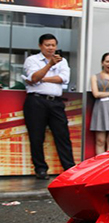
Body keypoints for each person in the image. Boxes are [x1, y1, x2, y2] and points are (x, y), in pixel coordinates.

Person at [22, 33, 75, 179]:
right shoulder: (32, 60)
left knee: (62, 135)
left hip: (56, 102)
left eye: (53, 45)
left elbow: (64, 79)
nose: (51, 48)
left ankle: (69, 167)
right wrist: (49, 65)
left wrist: (42, 78)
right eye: (47, 45)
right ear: (40, 46)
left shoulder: (62, 61)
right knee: (36, 136)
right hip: (36, 101)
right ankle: (40, 169)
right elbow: (33, 78)